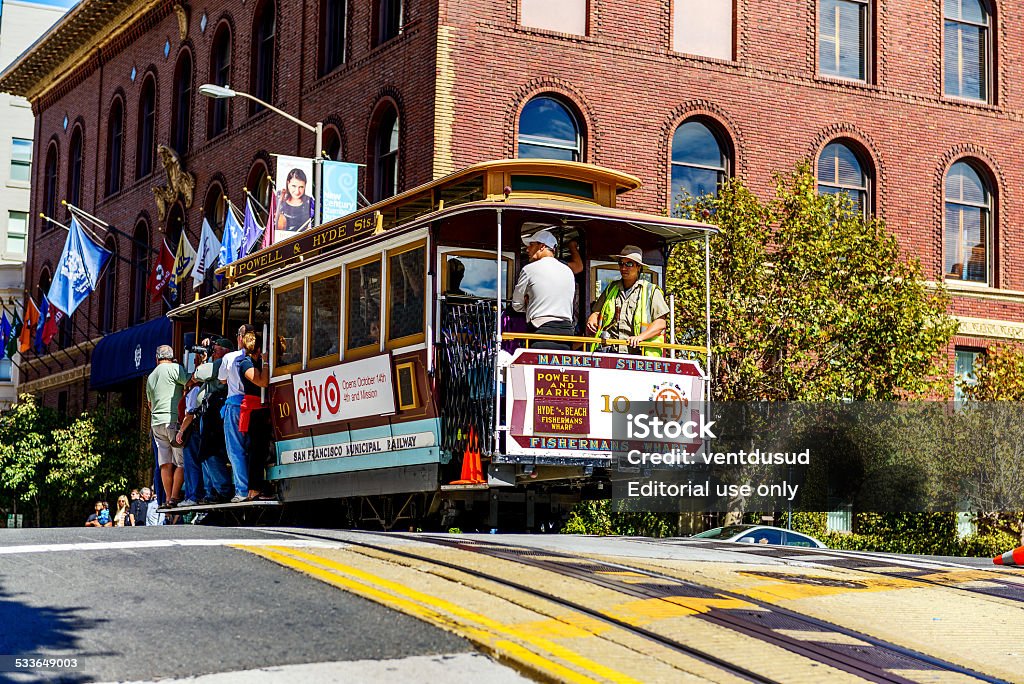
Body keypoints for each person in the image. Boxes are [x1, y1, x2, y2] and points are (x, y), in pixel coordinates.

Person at [586, 245, 669, 357]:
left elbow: (661, 323)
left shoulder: (651, 291)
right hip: (610, 352)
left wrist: (640, 337)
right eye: (621, 264)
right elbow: (596, 312)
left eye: (629, 264)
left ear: (638, 267)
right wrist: (592, 318)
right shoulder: (611, 288)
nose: (624, 268)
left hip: (639, 355)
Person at [511, 228, 577, 350]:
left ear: (542, 246)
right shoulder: (568, 271)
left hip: (541, 331)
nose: (527, 249)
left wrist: (530, 305)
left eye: (531, 245)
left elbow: (516, 304)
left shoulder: (529, 269)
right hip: (567, 333)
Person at [145, 344, 189, 506]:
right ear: (171, 357)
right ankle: (174, 497)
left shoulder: (151, 376)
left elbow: (149, 404)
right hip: (173, 420)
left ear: (157, 359)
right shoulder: (174, 368)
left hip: (156, 422)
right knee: (181, 461)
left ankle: (167, 496)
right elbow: (189, 381)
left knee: (165, 463)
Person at [195, 338, 233, 503]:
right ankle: (211, 491)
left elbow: (198, 374)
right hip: (209, 412)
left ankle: (222, 490)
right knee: (205, 452)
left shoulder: (222, 363)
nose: (213, 353)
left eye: (216, 350)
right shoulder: (217, 363)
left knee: (210, 451)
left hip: (216, 413)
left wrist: (205, 360)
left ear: (226, 350)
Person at [219, 325, 253, 502]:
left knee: (235, 450)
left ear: (240, 338)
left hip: (235, 405)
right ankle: (254, 487)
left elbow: (222, 380)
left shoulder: (229, 358)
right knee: (251, 448)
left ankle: (242, 490)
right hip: (253, 404)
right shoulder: (256, 357)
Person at [239, 331, 272, 500]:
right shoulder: (245, 363)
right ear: (258, 348)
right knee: (256, 451)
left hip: (259, 409)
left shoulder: (253, 361)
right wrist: (265, 362)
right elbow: (262, 381)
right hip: (253, 410)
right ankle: (254, 489)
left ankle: (256, 487)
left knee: (259, 450)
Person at [276, 168, 314, 233]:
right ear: (288, 183)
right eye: (294, 186)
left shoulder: (310, 202)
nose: (297, 191)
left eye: (301, 187)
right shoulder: (279, 197)